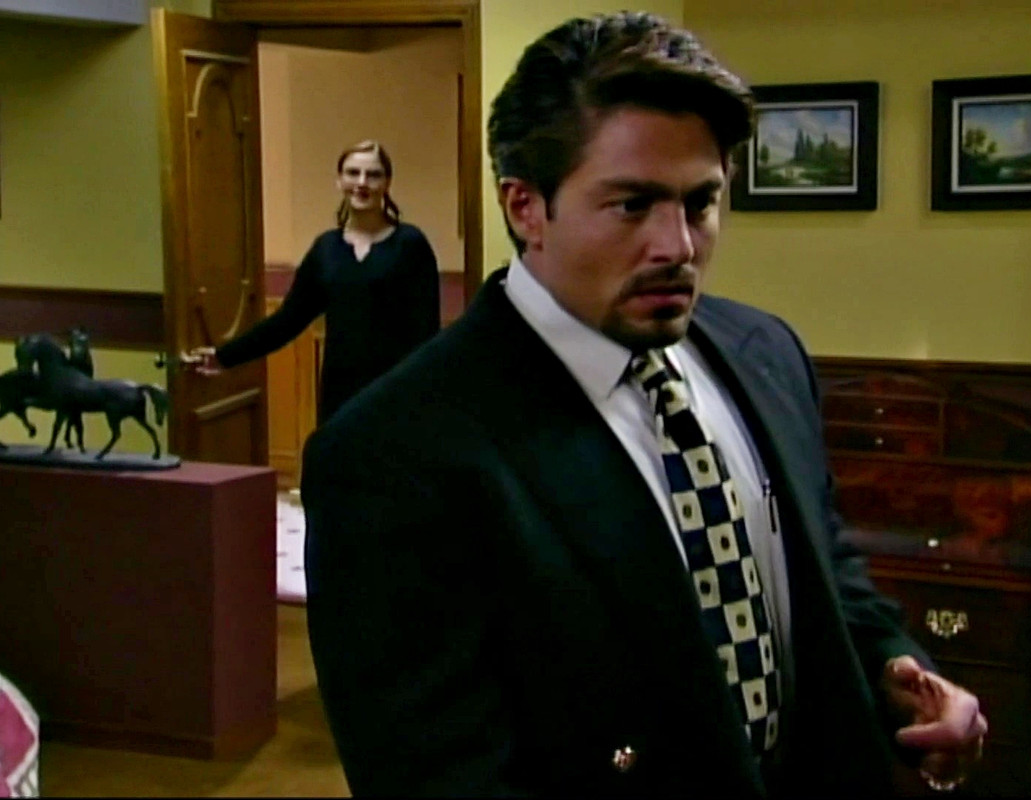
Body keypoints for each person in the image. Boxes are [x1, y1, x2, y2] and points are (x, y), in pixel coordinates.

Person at [301, 12, 988, 797]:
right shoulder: (394, 452)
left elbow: (820, 570)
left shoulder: (765, 353)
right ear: (524, 207)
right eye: (633, 205)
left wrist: (894, 671)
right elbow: (438, 775)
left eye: (699, 203)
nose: (678, 247)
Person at [186, 140, 440, 423]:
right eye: (353, 173)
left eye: (373, 175)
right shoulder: (326, 249)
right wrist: (224, 356)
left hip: (396, 395)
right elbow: (287, 321)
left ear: (387, 183)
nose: (362, 182)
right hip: (340, 395)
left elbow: (427, 333)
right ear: (339, 181)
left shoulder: (410, 244)